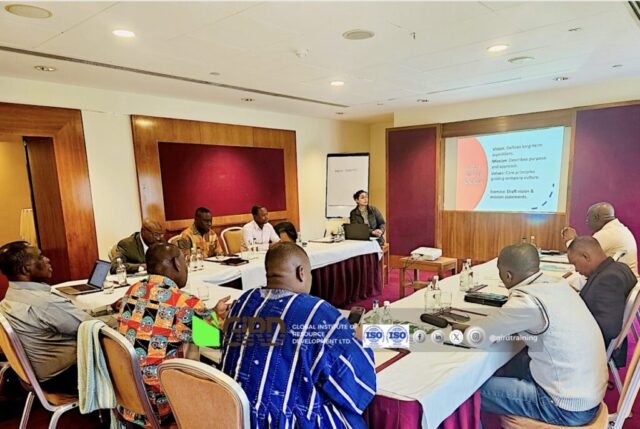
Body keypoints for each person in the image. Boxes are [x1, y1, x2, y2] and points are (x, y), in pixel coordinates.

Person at [221, 242, 376, 428]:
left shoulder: (242, 302)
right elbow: (356, 381)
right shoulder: (315, 312)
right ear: (302, 272)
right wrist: (357, 339)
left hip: (235, 417)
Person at [470, 243, 607, 426]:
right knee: (515, 362)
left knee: (467, 391)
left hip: (565, 407)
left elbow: (478, 336)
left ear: (508, 276)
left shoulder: (527, 301)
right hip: (587, 394)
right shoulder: (558, 285)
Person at [116, 243, 230, 426]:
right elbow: (217, 340)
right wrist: (219, 319)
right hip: (161, 406)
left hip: (129, 398)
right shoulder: (184, 302)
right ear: (177, 263)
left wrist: (212, 313)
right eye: (185, 261)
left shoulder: (132, 291)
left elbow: (170, 321)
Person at [0, 241, 92, 393]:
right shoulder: (45, 303)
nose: (47, 259)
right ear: (25, 269)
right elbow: (94, 327)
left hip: (37, 376)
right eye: (40, 257)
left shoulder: (9, 298)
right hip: (67, 377)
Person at [568, 236, 636, 367]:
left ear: (586, 256)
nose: (576, 270)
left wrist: (569, 324)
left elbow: (609, 329)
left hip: (590, 348)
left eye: (575, 263)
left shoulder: (608, 280)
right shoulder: (620, 268)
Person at [562, 202, 638, 277]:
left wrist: (570, 240)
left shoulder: (607, 233)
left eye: (588, 217)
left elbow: (581, 254)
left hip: (617, 280)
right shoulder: (618, 229)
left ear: (596, 217)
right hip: (625, 278)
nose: (586, 221)